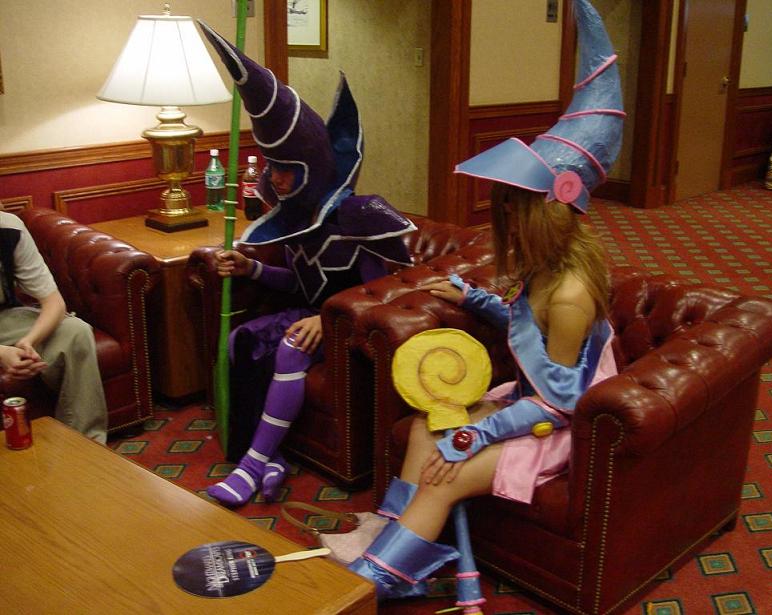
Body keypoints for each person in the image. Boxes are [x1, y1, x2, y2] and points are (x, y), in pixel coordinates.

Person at [345, 0, 623, 599]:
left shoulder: (570, 292)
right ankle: (393, 538)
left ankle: (372, 585)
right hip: (529, 403)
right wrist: (472, 297)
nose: (506, 223)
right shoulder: (545, 268)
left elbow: (562, 398)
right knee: (428, 428)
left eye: (514, 210)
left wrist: (476, 435)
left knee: (443, 473)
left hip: (557, 425)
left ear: (552, 210)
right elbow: (527, 330)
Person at [198, 23, 415, 507]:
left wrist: (329, 317)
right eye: (272, 167)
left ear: (311, 167)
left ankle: (252, 466)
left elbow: (388, 292)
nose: (276, 178)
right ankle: (270, 458)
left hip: (351, 328)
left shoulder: (358, 216)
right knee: (241, 340)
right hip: (314, 316)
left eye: (287, 169)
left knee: (291, 349)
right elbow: (300, 283)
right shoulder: (293, 218)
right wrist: (251, 270)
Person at [0, 212, 107, 443]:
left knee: (75, 331)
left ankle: (86, 445)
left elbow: (54, 303)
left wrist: (29, 341)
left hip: (5, 317)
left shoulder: (9, 227)